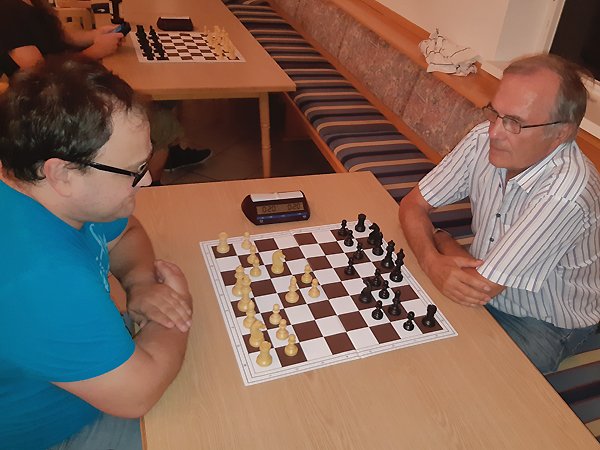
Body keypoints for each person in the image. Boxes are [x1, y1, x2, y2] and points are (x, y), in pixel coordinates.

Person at [0, 55, 193, 449]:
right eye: (134, 170)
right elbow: (138, 393)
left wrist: (141, 282)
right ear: (63, 174)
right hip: (55, 433)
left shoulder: (42, 192)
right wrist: (179, 311)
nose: (147, 180)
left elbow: (127, 233)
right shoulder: (43, 279)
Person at [398, 54, 600, 374]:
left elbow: (478, 288)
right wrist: (431, 258)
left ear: (560, 134)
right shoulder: (483, 139)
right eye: (495, 113)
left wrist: (443, 243)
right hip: (482, 278)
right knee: (400, 327)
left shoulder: (566, 193)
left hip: (542, 324)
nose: (494, 132)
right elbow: (412, 205)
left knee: (451, 373)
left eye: (515, 123)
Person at [0, 0, 212, 183]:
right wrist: (94, 52)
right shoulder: (8, 10)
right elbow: (40, 75)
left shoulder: (30, 3)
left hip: (68, 86)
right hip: (49, 106)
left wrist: (94, 35)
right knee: (160, 119)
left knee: (160, 100)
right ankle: (151, 190)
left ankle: (161, 156)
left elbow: (60, 37)